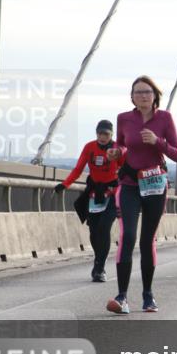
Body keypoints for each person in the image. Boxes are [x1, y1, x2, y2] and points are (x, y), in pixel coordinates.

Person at [106, 75, 177, 314]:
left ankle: (148, 296)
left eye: (147, 92)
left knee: (146, 239)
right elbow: (120, 144)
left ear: (155, 95)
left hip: (155, 185)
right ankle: (121, 297)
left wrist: (158, 141)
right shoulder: (124, 119)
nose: (142, 96)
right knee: (127, 236)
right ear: (132, 97)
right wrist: (115, 153)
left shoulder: (165, 118)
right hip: (129, 183)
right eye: (137, 92)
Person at [55, 119, 123, 282]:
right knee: (93, 230)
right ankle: (98, 258)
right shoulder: (89, 147)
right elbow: (78, 168)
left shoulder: (116, 149)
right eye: (99, 133)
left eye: (106, 134)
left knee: (104, 227)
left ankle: (100, 267)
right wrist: (65, 184)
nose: (102, 137)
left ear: (111, 135)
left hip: (112, 192)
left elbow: (125, 168)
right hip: (94, 192)